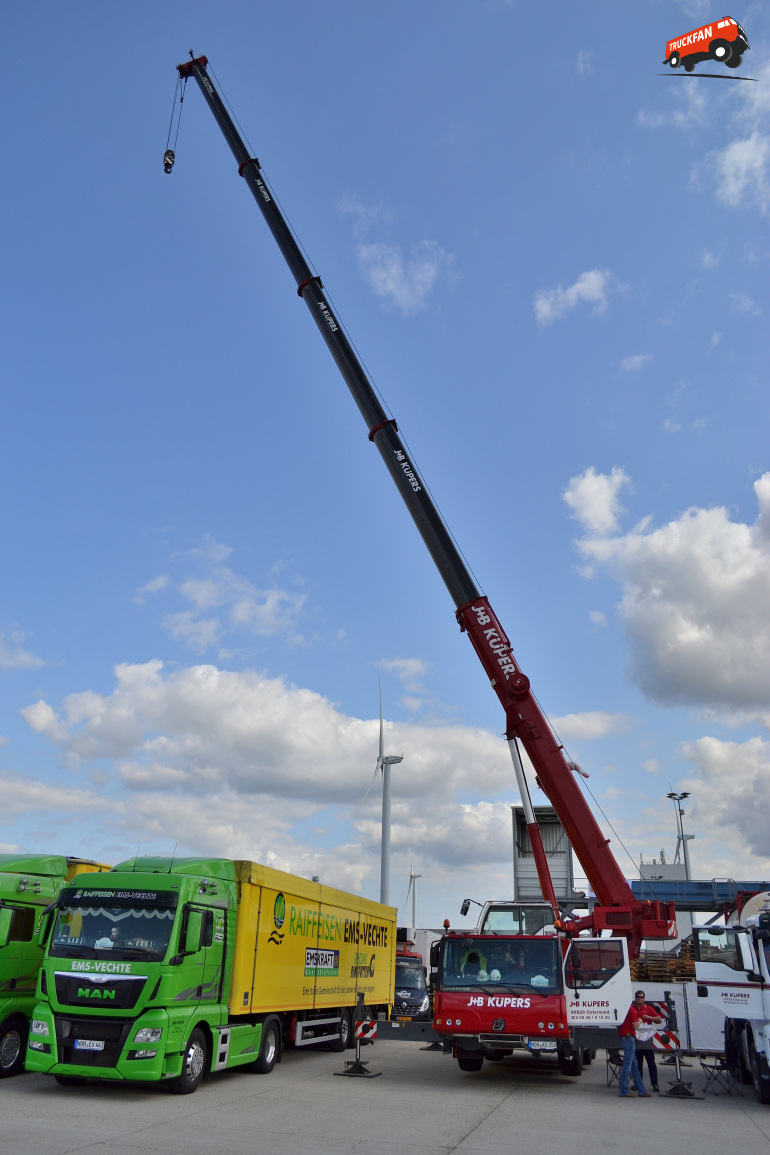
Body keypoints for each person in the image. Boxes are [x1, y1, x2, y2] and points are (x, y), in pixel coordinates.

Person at [618, 994, 652, 1098]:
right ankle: (623, 1091)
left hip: (623, 1036)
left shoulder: (621, 1010)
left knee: (634, 1066)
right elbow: (635, 1026)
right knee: (627, 1066)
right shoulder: (631, 1010)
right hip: (629, 1038)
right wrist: (640, 1020)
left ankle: (641, 1090)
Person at [634, 990, 665, 1092]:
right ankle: (638, 1083)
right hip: (637, 1038)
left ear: (644, 999)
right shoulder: (632, 1009)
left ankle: (654, 1084)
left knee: (651, 1062)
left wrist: (648, 1017)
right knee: (637, 1063)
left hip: (647, 1039)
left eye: (641, 997)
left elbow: (659, 1019)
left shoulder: (648, 1009)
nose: (640, 998)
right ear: (635, 998)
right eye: (638, 997)